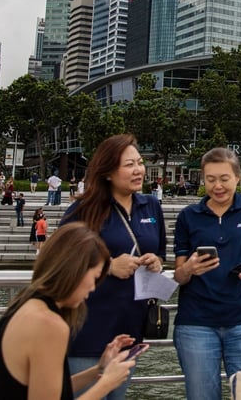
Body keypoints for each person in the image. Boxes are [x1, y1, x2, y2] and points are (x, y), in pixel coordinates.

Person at [0, 222, 137, 400]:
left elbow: (50, 389)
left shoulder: (26, 304)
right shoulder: (49, 325)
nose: (93, 288)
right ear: (75, 270)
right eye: (94, 277)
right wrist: (107, 383)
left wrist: (98, 371)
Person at [61, 134, 167, 400]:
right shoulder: (84, 209)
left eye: (140, 163)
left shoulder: (151, 205)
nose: (138, 170)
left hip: (130, 328)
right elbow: (59, 259)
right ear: (107, 172)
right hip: (89, 327)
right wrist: (108, 265)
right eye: (129, 164)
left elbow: (161, 252)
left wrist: (155, 261)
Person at [172, 147, 241, 400]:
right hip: (196, 323)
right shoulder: (188, 216)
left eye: (224, 179)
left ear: (238, 177)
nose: (218, 186)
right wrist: (189, 269)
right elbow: (178, 275)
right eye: (210, 179)